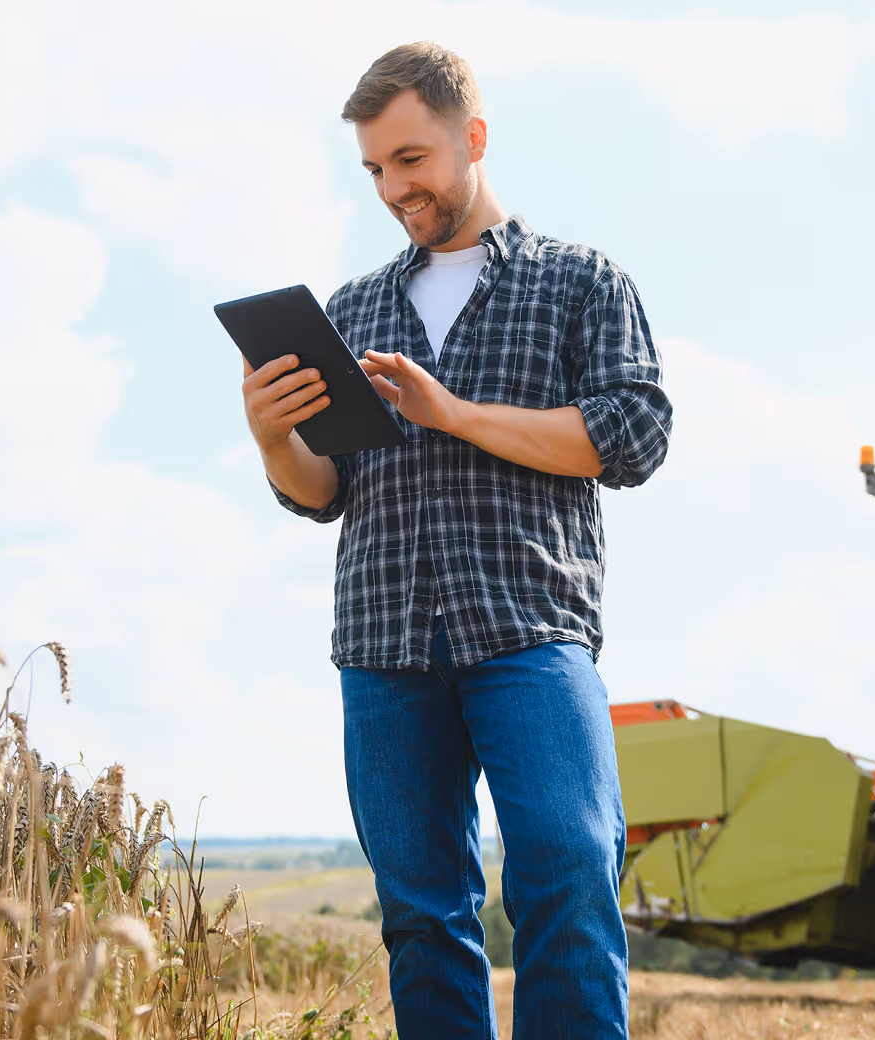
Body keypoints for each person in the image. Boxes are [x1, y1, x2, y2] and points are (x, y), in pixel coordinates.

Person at [238, 42, 671, 1040]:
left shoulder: (580, 281)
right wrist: (272, 439)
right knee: (421, 910)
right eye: (375, 170)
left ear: (471, 138)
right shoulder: (346, 310)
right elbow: (324, 491)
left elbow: (633, 437)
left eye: (410, 159)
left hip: (528, 629)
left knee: (567, 863)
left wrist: (453, 411)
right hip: (383, 644)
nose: (394, 187)